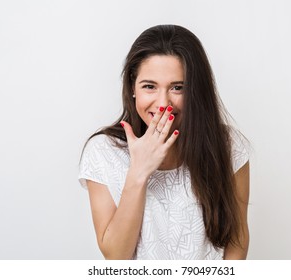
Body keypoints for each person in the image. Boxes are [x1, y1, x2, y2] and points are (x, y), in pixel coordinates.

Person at [78, 24, 250, 260]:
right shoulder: (103, 151)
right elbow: (116, 256)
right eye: (149, 86)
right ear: (132, 88)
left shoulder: (229, 145)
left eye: (178, 88)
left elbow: (237, 241)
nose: (163, 103)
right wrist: (139, 171)